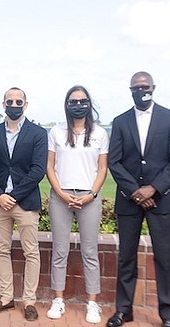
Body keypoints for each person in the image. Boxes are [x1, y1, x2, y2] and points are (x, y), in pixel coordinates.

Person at [106, 72, 170, 327]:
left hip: (163, 199)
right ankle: (124, 310)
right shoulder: (120, 121)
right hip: (129, 199)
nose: (141, 90)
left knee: (166, 259)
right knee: (126, 258)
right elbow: (115, 161)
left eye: (144, 87)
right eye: (136, 87)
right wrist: (136, 191)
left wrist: (153, 188)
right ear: (130, 90)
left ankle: (168, 315)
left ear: (153, 88)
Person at [45, 85, 109, 324]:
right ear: (67, 104)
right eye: (73, 101)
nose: (78, 104)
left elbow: (102, 168)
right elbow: (50, 166)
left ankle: (92, 303)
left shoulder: (100, 134)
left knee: (90, 252)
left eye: (82, 101)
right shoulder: (56, 132)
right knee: (60, 251)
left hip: (89, 198)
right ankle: (58, 299)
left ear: (89, 104)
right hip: (61, 197)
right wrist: (60, 193)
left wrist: (91, 194)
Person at [0, 87, 47, 321]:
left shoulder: (38, 133)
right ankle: (6, 298)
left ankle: (29, 301)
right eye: (10, 101)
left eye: (19, 101)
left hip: (25, 201)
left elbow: (38, 169)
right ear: (3, 105)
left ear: (26, 105)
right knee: (2, 250)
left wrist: (14, 195)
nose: (14, 104)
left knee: (31, 252)